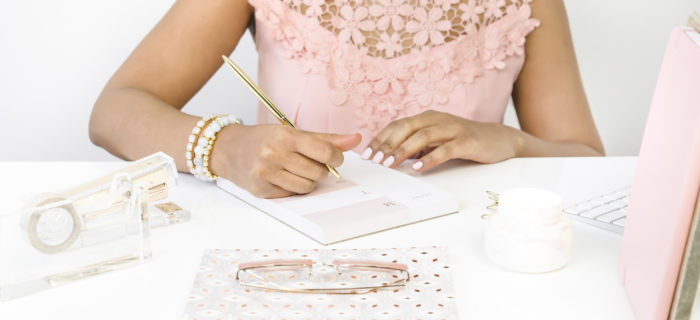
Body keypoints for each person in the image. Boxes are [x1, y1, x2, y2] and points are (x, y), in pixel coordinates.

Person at [89, 0, 604, 198]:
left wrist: (510, 141)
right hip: (288, 249)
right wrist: (225, 148)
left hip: (469, 251)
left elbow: (589, 160)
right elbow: (114, 111)